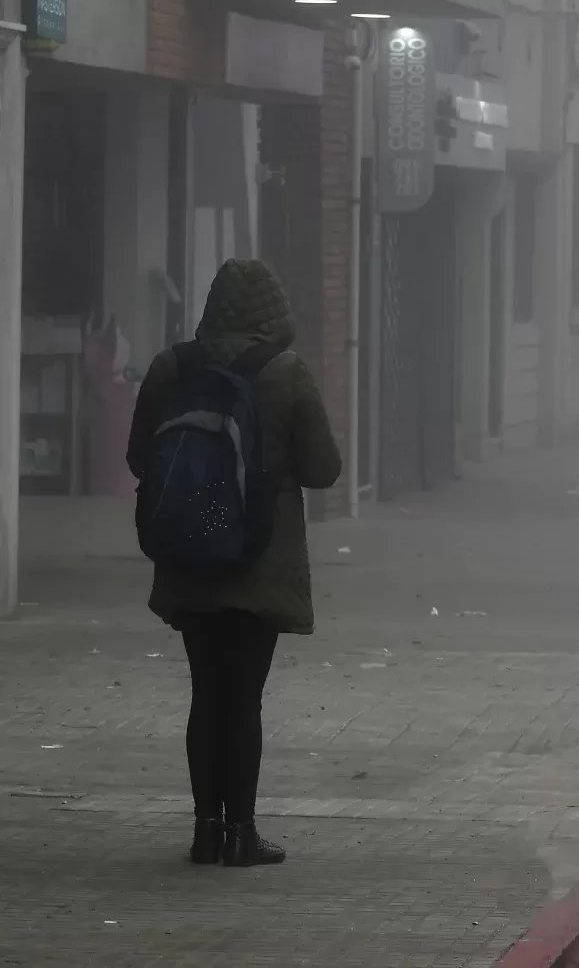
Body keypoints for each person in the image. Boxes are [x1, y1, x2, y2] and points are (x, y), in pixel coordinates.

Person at [126, 259, 341, 867]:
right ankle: (242, 834)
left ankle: (205, 829)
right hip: (258, 557)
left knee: (205, 691)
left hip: (189, 553)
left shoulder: (173, 367)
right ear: (274, 312)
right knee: (244, 696)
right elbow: (324, 469)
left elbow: (140, 456)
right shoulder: (285, 372)